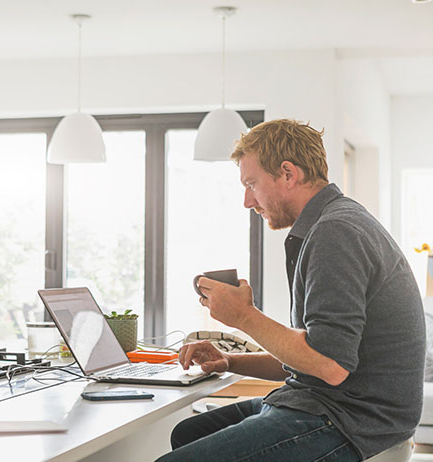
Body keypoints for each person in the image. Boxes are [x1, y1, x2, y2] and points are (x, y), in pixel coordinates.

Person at [156, 119, 426, 462]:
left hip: (351, 421)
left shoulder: (336, 232)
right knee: (185, 433)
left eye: (252, 184)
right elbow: (311, 355)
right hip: (323, 403)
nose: (246, 201)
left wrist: (243, 316)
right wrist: (229, 361)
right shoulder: (330, 224)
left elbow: (330, 365)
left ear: (287, 174)